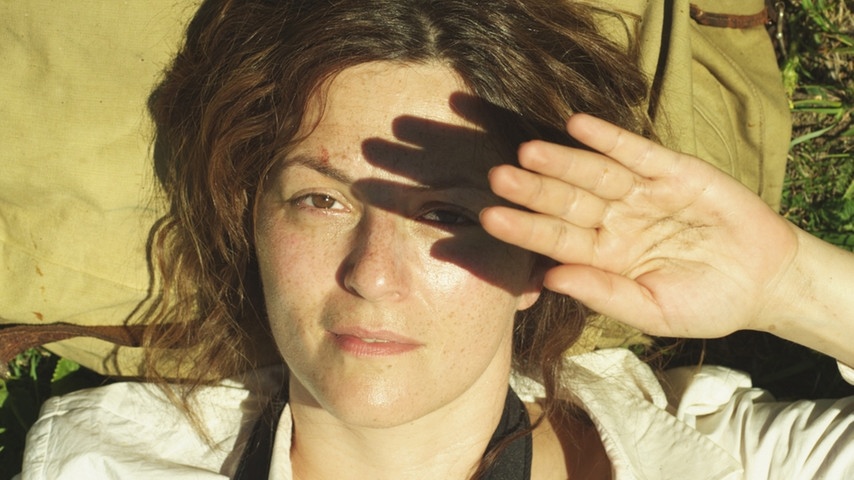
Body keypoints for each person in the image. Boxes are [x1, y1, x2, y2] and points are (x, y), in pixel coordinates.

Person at [17, 0, 854, 479]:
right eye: (320, 200)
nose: (373, 275)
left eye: (449, 215)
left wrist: (788, 286)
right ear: (254, 224)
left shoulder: (718, 455)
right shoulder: (108, 464)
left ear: (540, 257)